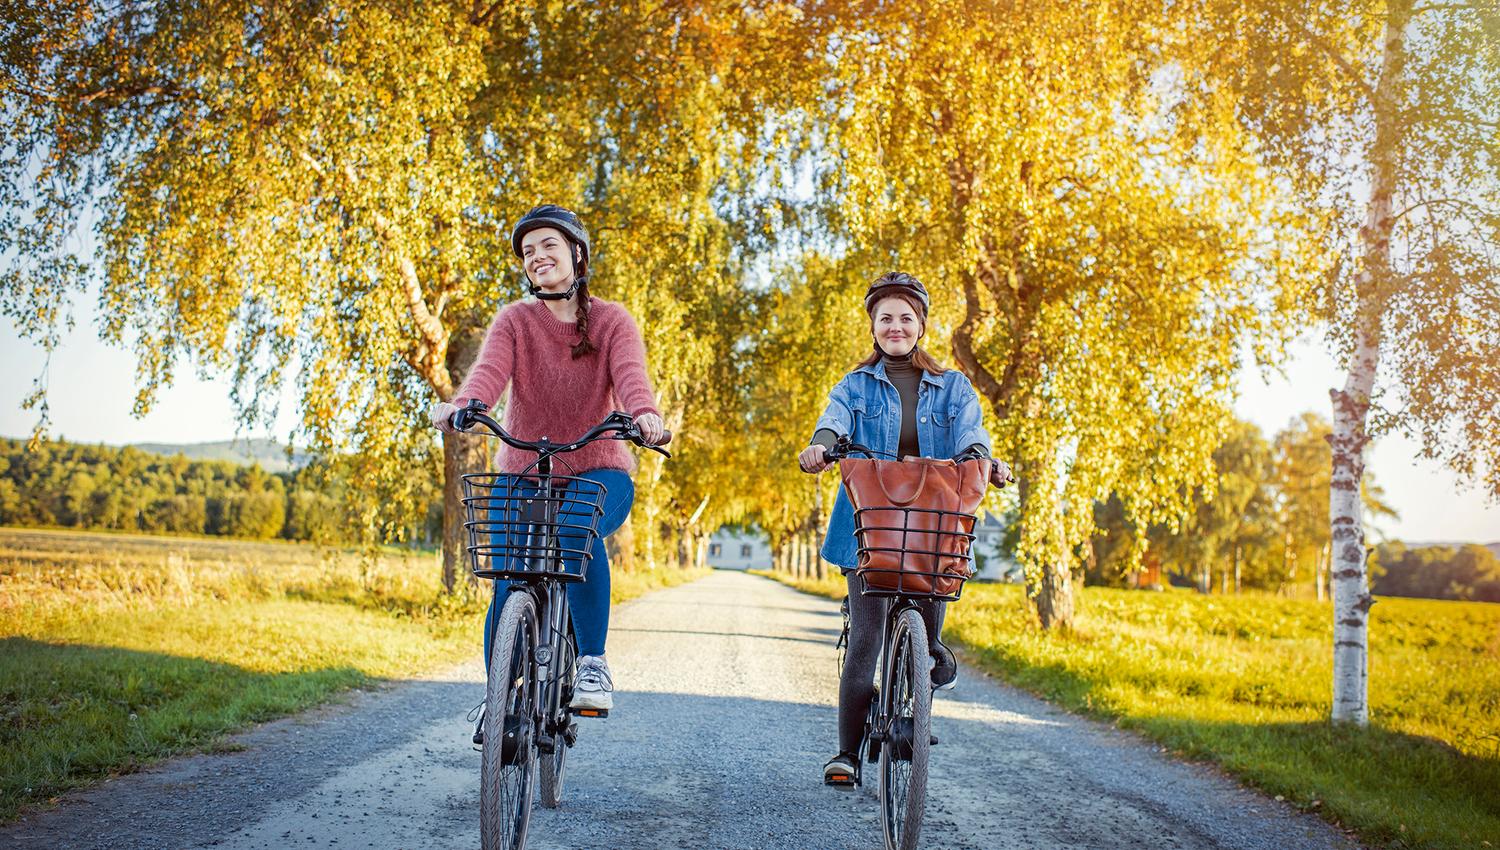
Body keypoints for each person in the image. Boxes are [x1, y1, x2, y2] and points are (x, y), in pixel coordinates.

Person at [430, 204, 664, 721]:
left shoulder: (611, 320)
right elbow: (488, 374)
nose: (537, 257)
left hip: (598, 469)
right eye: (528, 251)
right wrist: (465, 406)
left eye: (548, 246)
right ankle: (500, 693)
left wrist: (644, 415)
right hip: (523, 470)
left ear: (577, 253)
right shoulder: (515, 321)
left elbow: (631, 378)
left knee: (577, 528)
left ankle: (592, 664)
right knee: (508, 574)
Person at [797, 271, 998, 786]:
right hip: (870, 527)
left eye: (906, 318)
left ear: (921, 326)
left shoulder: (953, 387)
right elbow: (835, 420)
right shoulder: (854, 385)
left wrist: (983, 459)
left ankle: (923, 677)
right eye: (885, 318)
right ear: (873, 326)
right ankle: (847, 754)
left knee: (926, 639)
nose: (896, 327)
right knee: (866, 639)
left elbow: (972, 433)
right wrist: (821, 446)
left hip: (933, 526)